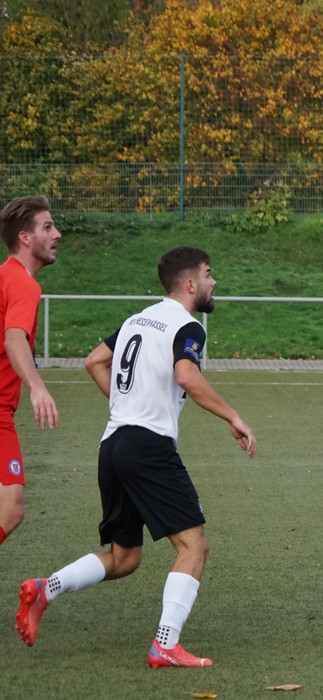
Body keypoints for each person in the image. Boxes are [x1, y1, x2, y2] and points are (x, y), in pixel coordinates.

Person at [15, 246, 257, 668]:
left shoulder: (137, 319)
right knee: (194, 547)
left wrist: (125, 406)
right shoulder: (187, 325)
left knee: (125, 558)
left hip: (113, 446)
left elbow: (94, 361)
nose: (213, 281)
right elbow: (187, 375)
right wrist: (233, 417)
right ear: (190, 284)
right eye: (208, 273)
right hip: (147, 447)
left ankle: (45, 588)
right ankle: (165, 644)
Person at [0, 195, 61, 549]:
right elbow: (13, 338)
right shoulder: (24, 283)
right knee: (10, 511)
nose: (57, 234)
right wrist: (37, 386)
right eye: (47, 227)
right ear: (25, 237)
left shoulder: (4, 277)